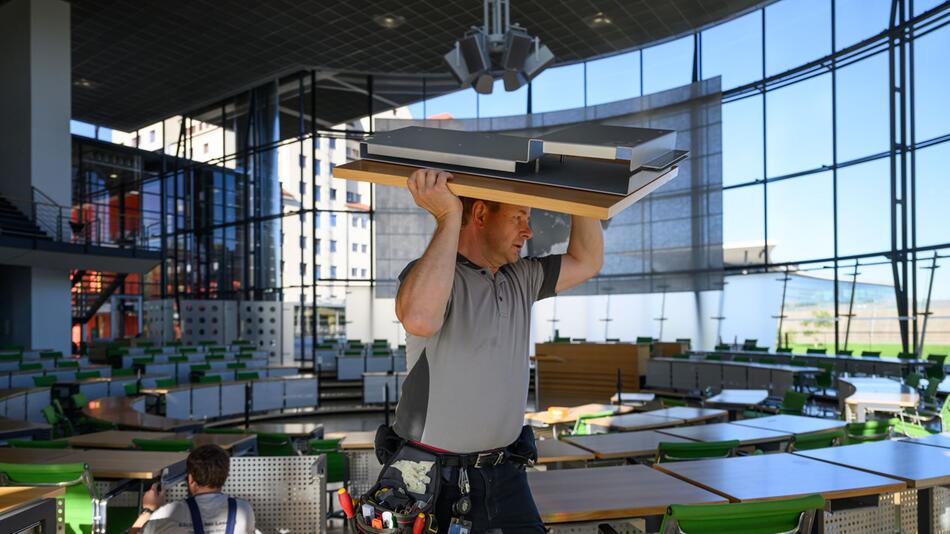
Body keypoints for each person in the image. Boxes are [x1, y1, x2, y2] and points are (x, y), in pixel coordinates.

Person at [391, 168, 604, 532]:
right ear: (479, 215)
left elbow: (587, 261)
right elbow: (419, 318)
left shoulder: (521, 276)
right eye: (519, 217)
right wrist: (447, 217)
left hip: (507, 474)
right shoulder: (432, 276)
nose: (529, 230)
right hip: (433, 479)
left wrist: (580, 193)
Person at [130, 444, 256, 534]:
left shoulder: (168, 514)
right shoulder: (243, 510)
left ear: (190, 479)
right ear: (224, 477)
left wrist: (149, 510)